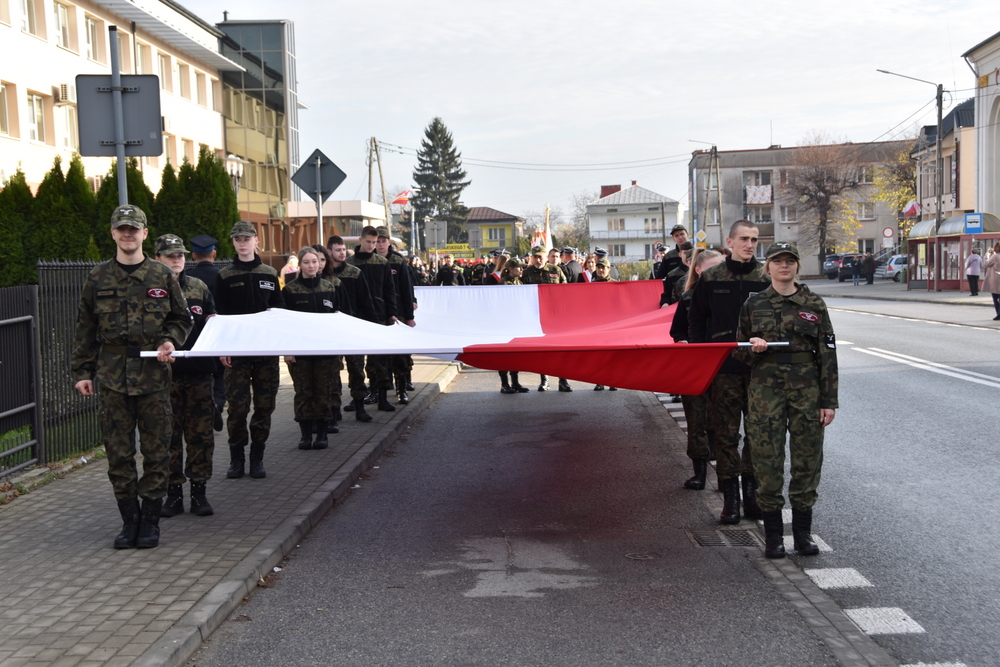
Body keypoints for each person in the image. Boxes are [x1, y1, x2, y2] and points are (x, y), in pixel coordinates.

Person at [71, 205, 192, 549]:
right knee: (118, 454)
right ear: (113, 233)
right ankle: (130, 521)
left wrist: (169, 340)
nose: (128, 235)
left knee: (157, 452)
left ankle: (151, 522)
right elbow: (85, 329)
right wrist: (82, 371)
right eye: (122, 229)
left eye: (133, 229)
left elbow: (182, 318)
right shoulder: (97, 278)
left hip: (153, 376)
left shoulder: (161, 275)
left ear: (144, 233)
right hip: (111, 377)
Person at [734, 242, 838, 559]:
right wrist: (752, 347)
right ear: (768, 268)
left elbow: (828, 355)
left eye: (789, 261)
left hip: (807, 392)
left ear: (797, 266)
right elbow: (737, 351)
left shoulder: (813, 303)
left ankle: (803, 535)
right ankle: (773, 537)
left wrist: (829, 401)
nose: (784, 266)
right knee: (767, 462)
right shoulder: (754, 304)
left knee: (807, 462)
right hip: (766, 392)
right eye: (778, 261)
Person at [688, 220, 770, 524]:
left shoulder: (766, 276)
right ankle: (730, 499)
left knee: (757, 434)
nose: (750, 245)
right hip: (724, 370)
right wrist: (702, 358)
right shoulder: (711, 277)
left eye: (754, 240)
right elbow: (696, 320)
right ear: (730, 242)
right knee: (725, 434)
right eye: (744, 239)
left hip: (760, 370)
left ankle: (751, 496)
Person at [153, 234, 217, 519]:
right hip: (165, 376)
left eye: (180, 255)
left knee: (200, 434)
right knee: (169, 436)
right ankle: (174, 493)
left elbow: (214, 323)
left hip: (199, 373)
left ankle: (199, 492)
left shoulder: (199, 287)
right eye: (170, 256)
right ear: (158, 258)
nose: (177, 259)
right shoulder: (150, 289)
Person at [215, 221, 285, 479]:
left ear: (257, 241)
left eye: (247, 238)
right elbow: (219, 315)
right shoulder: (224, 275)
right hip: (238, 353)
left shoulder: (269, 272)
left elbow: (280, 307)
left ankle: (257, 457)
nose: (243, 242)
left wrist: (274, 313)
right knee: (237, 408)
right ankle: (236, 459)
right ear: (233, 242)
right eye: (238, 239)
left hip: (266, 351)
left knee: (265, 406)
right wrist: (222, 348)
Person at [670, 248, 724, 490]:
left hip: (725, 368)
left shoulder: (731, 297)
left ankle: (726, 476)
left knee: (724, 423)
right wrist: (682, 341)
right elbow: (677, 330)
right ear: (699, 270)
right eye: (711, 268)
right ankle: (699, 473)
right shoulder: (688, 297)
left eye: (720, 267)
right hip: (695, 367)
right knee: (696, 421)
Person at [282, 247, 341, 450]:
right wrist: (287, 350)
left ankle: (322, 434)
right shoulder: (290, 290)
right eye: (306, 262)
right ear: (300, 265)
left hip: (324, 351)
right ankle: (306, 435)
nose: (311, 266)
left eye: (314, 262)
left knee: (323, 392)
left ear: (320, 264)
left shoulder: (329, 288)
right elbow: (284, 323)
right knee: (303, 393)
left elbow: (338, 320)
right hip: (300, 352)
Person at [348, 225, 399, 412]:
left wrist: (391, 313)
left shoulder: (381, 263)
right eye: (368, 242)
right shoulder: (349, 264)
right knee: (355, 363)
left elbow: (389, 290)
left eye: (375, 242)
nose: (372, 245)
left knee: (380, 360)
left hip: (379, 315)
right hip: (356, 318)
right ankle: (358, 398)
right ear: (360, 240)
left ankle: (382, 397)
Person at [327, 235, 378, 422]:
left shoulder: (354, 273)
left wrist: (371, 325)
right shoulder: (325, 275)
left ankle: (359, 407)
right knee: (332, 372)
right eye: (337, 250)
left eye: (343, 249)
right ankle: (334, 409)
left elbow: (366, 301)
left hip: (353, 328)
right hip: (332, 332)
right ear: (329, 251)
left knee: (357, 369)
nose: (342, 253)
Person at [186, 234, 225, 432]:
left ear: (193, 256)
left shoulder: (190, 279)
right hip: (218, 333)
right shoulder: (222, 275)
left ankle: (199, 408)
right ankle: (217, 402)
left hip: (193, 334)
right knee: (220, 372)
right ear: (214, 254)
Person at [374, 226, 417, 405]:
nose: (380, 244)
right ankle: (378, 389)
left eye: (384, 241)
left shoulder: (398, 261)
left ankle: (402, 388)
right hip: (377, 313)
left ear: (389, 242)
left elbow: (407, 289)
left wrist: (409, 316)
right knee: (379, 356)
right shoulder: (371, 261)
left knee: (399, 353)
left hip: (398, 313)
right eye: (377, 241)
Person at [523, 246, 570, 391]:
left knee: (560, 349)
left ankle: (563, 380)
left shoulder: (555, 270)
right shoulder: (527, 273)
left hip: (556, 316)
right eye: (535, 257)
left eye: (540, 257)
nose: (538, 260)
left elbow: (565, 290)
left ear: (546, 257)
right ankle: (544, 380)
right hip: (537, 317)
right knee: (542, 350)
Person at [497, 258, 531, 393]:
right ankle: (504, 384)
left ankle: (515, 382)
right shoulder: (503, 285)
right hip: (505, 325)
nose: (521, 270)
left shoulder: (518, 282)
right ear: (511, 269)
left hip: (517, 324)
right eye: (519, 267)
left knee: (515, 355)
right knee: (504, 356)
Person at [656, 225, 691, 306]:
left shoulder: (698, 254)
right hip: (674, 299)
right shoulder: (669, 257)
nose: (680, 237)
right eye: (676, 235)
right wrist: (665, 300)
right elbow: (659, 279)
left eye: (682, 234)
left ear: (687, 234)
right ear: (673, 239)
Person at [984, 243, 1000, 320]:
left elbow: (986, 264)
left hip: (996, 278)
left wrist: (987, 256)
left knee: (996, 297)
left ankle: (999, 313)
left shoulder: (995, 256)